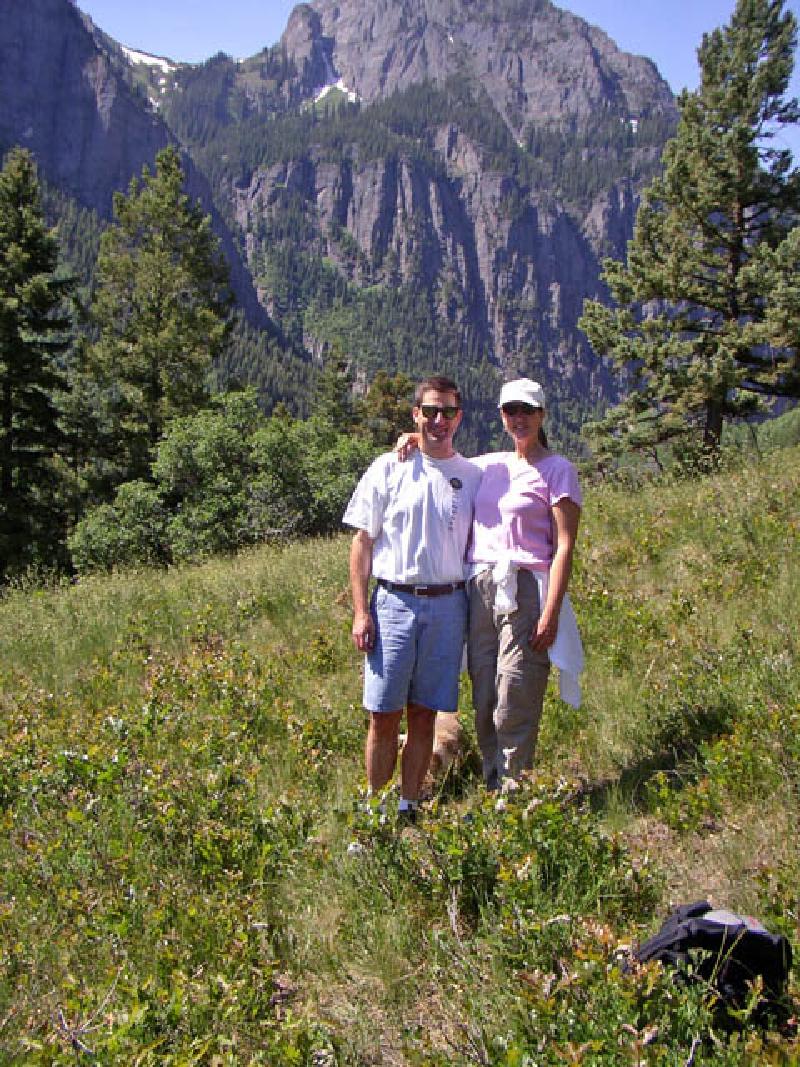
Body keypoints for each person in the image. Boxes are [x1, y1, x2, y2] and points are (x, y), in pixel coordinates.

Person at [398, 378, 583, 789]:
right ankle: (493, 783)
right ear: (502, 416)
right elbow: (443, 457)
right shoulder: (489, 465)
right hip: (478, 587)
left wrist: (551, 612)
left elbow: (565, 546)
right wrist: (415, 436)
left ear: (541, 415)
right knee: (483, 695)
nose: (519, 419)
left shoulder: (558, 471)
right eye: (510, 411)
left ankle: (513, 791)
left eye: (527, 411)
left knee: (513, 692)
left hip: (524, 587)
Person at [343, 375, 482, 820]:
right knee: (383, 714)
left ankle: (408, 805)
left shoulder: (473, 475)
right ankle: (375, 807)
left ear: (458, 418)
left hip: (448, 606)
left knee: (423, 715)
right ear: (415, 414)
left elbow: (520, 463)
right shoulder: (389, 467)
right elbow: (362, 543)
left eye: (447, 413)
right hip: (394, 604)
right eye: (430, 412)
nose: (438, 420)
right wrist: (361, 612)